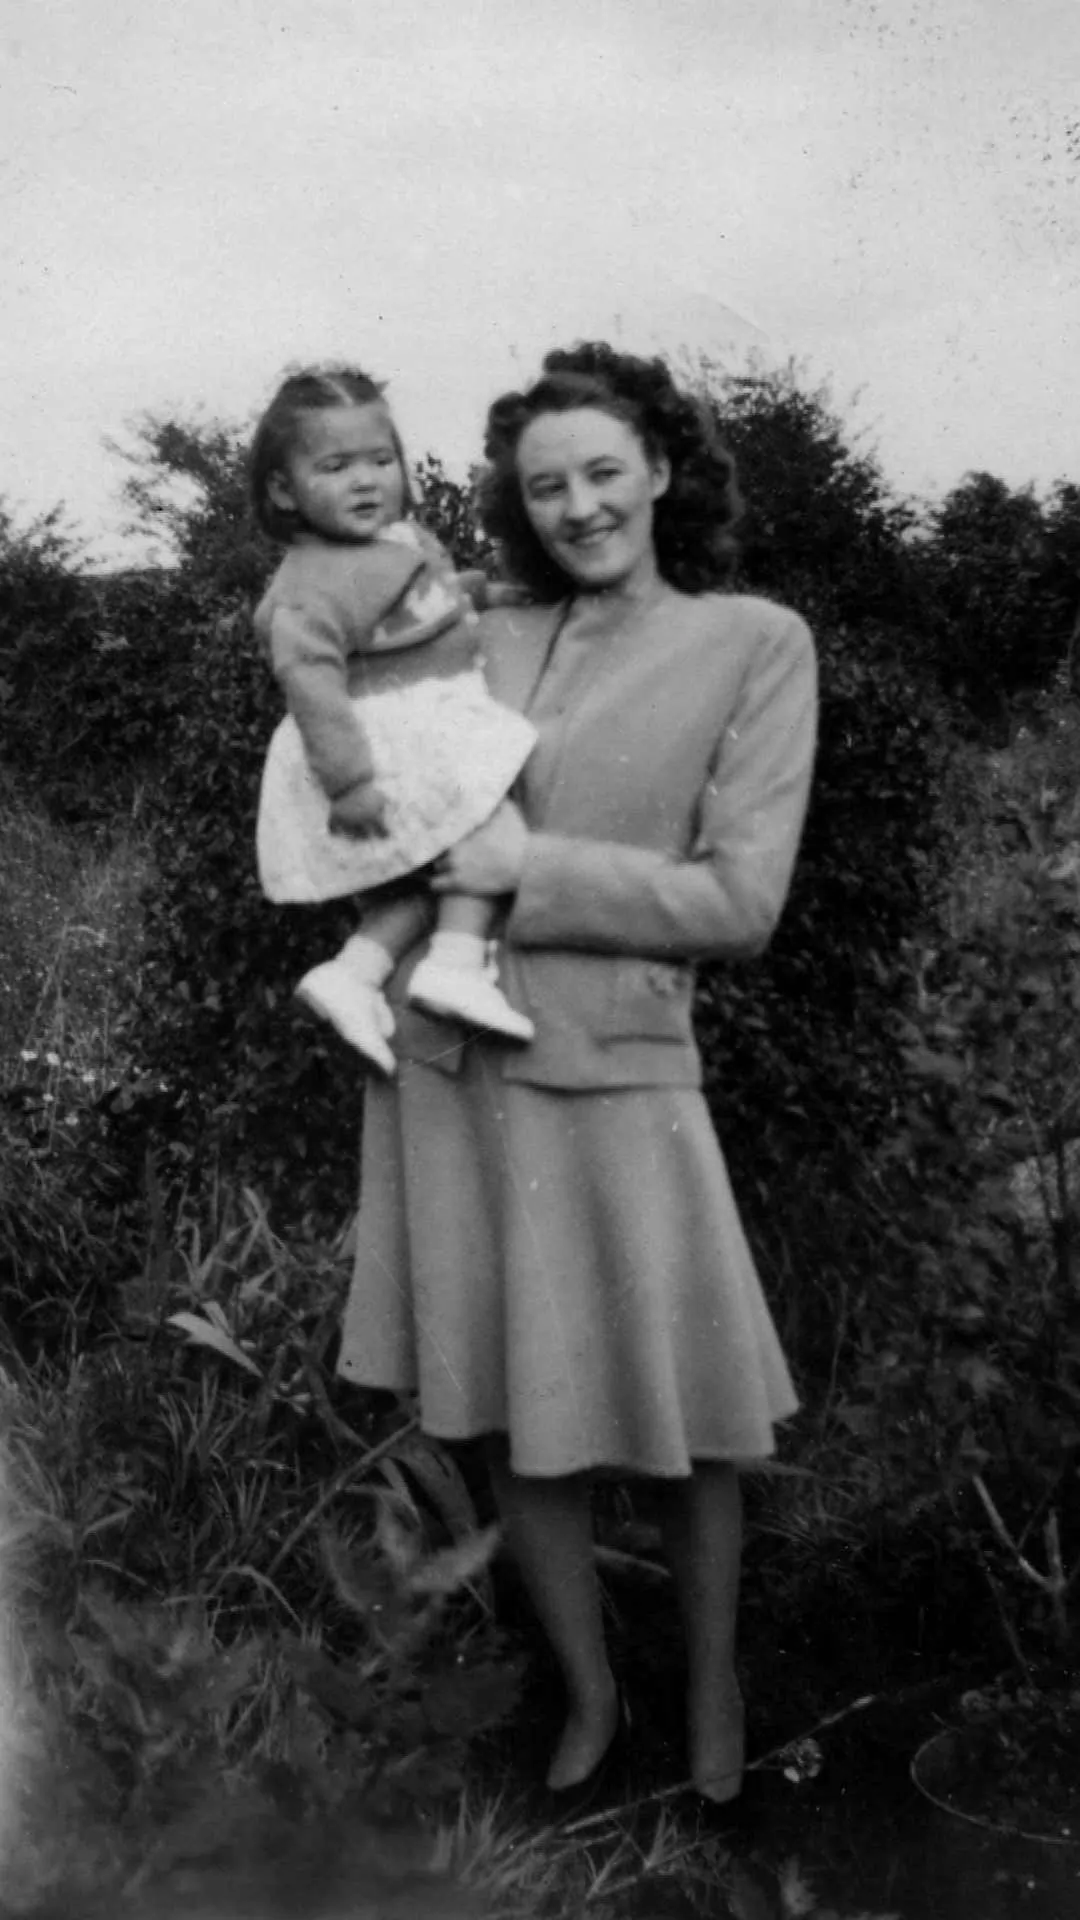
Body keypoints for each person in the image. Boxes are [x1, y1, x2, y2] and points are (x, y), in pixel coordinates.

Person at [337, 343, 818, 1803]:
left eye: (605, 472)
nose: (579, 506)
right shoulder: (480, 634)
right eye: (547, 486)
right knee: (513, 1414)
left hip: (616, 1069)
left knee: (680, 1421)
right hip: (450, 1070)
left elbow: (740, 901)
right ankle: (595, 1699)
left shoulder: (753, 640)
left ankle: (714, 1685)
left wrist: (525, 870)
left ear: (666, 470)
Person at [250, 366, 538, 1074]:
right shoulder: (309, 583)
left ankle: (351, 975)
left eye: (381, 460)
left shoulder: (396, 541)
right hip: (381, 741)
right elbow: (308, 679)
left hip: (410, 723)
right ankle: (458, 962)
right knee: (491, 830)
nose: (366, 480)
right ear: (285, 489)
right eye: (336, 466)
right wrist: (349, 782)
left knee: (411, 887)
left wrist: (491, 594)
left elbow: (430, 603)